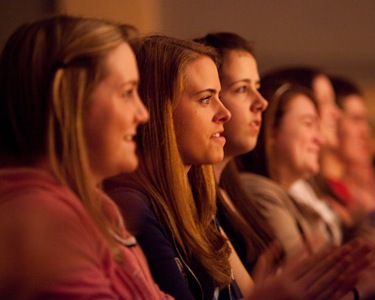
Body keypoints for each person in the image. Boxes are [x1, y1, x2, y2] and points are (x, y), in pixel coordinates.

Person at [104, 34, 374, 300]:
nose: (225, 113)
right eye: (206, 98)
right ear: (161, 109)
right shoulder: (136, 206)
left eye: (220, 95)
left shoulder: (195, 203)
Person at [0, 15, 172, 299]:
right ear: (70, 100)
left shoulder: (100, 208)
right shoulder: (48, 219)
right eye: (127, 92)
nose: (143, 114)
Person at [196, 32, 375, 299]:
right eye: (242, 89)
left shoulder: (232, 192)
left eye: (257, 87)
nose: (261, 103)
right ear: (273, 133)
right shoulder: (248, 192)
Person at [329, 75, 375, 231]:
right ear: (332, 122)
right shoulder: (325, 195)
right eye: (356, 120)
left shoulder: (355, 192)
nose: (365, 131)